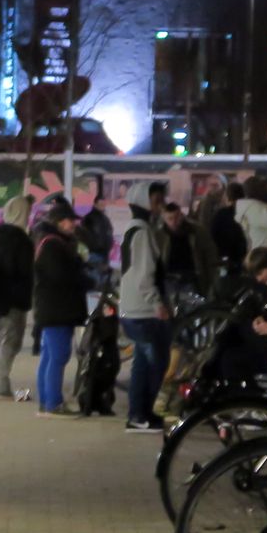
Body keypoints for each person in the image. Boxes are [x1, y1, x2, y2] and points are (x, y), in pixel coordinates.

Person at [117, 180, 171, 432]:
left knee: (144, 363)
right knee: (153, 365)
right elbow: (143, 274)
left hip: (136, 308)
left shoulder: (138, 228)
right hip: (143, 310)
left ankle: (140, 414)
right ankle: (140, 415)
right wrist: (157, 302)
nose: (160, 205)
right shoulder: (141, 231)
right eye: (156, 200)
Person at [31, 200, 86, 418]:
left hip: (51, 308)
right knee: (58, 355)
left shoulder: (49, 241)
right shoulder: (53, 245)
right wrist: (83, 276)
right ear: (59, 222)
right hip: (57, 309)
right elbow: (61, 277)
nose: (73, 224)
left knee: (49, 355)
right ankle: (53, 403)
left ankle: (47, 401)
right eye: (70, 221)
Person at [0, 200, 34, 399]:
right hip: (15, 297)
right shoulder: (20, 239)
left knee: (0, 337)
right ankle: (0, 385)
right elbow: (24, 270)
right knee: (11, 340)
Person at [234, 174, 267, 254]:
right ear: (258, 192)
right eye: (266, 189)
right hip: (265, 255)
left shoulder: (256, 204)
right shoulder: (253, 208)